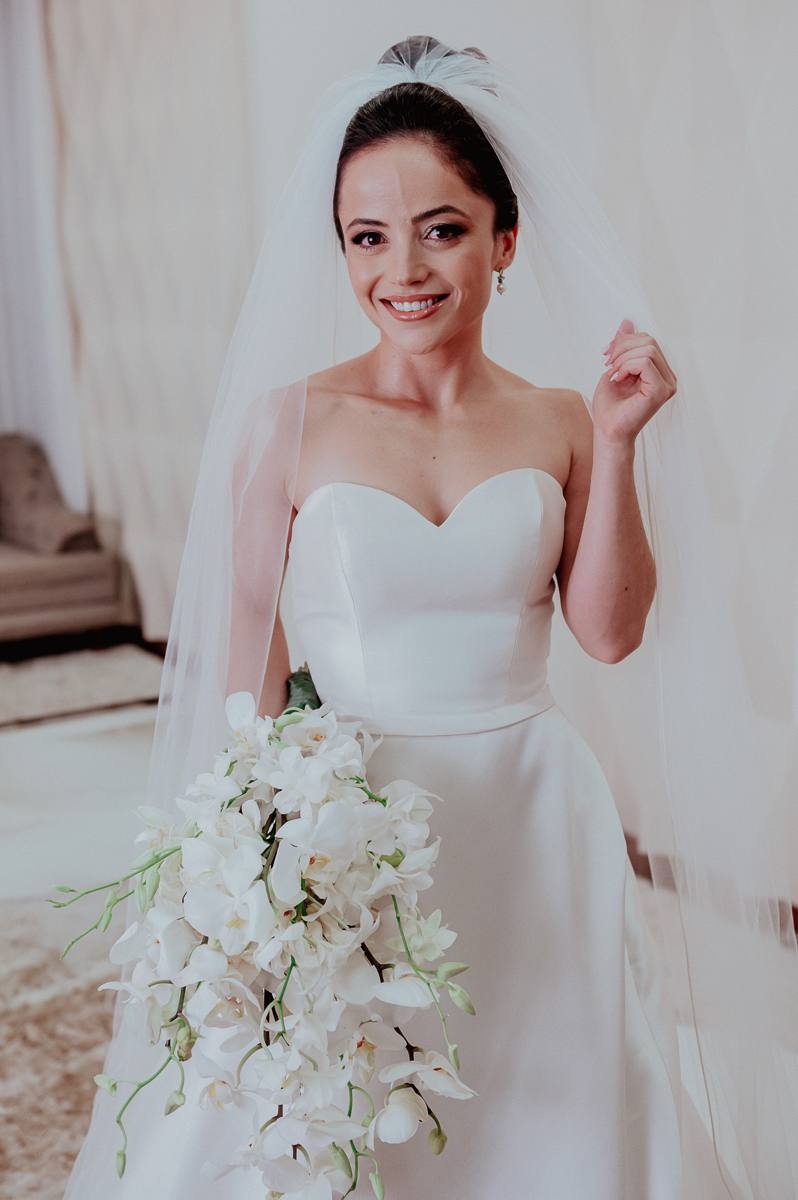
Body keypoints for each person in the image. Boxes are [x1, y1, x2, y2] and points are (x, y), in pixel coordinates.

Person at [66, 36, 797, 1200]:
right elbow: (244, 643)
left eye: (441, 228)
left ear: (505, 239)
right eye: (367, 236)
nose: (402, 268)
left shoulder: (564, 419)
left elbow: (609, 634)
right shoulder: (287, 423)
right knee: (347, 1083)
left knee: (547, 1078)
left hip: (533, 804)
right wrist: (264, 841)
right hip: (347, 818)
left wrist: (617, 443)